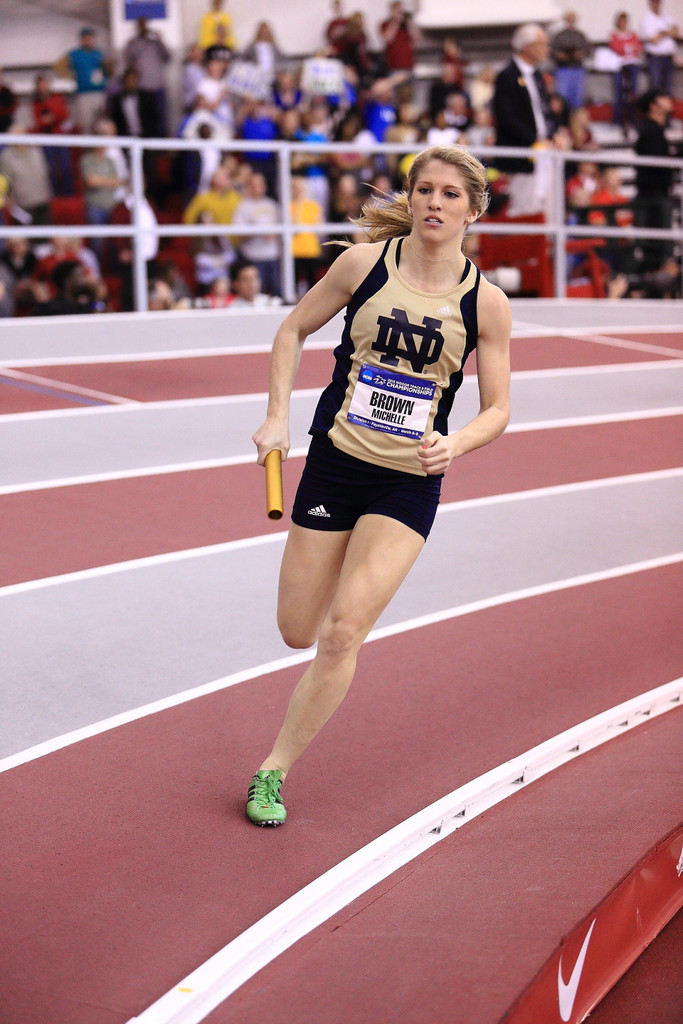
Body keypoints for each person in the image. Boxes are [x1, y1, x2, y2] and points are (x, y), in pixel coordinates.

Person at [246, 145, 511, 826]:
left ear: (473, 210)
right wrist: (276, 416)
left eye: (450, 194)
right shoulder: (363, 266)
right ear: (411, 197)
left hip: (407, 482)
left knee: (342, 634)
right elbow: (291, 330)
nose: (434, 202)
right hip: (336, 462)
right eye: (425, 189)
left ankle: (272, 772)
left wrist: (455, 442)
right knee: (297, 631)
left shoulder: (486, 303)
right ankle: (337, 570)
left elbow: (497, 410)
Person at [492, 23, 568, 218]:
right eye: (542, 44)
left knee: (550, 207)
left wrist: (555, 133)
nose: (547, 49)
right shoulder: (507, 76)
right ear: (527, 46)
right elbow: (507, 117)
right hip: (523, 155)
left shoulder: (537, 75)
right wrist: (534, 140)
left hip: (545, 151)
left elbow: (545, 111)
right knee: (525, 208)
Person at [633, 88, 679, 271]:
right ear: (653, 106)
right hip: (653, 199)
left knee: (660, 247)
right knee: (658, 250)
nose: (668, 99)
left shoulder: (655, 131)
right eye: (663, 97)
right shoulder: (650, 132)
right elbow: (659, 163)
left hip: (657, 197)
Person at [54, 27, 111, 133]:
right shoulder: (75, 54)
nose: (88, 40)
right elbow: (58, 66)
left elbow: (109, 70)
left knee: (102, 123)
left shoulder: (100, 53)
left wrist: (107, 67)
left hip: (100, 92)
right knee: (86, 124)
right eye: (86, 38)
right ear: (82, 39)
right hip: (84, 93)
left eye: (90, 38)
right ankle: (88, 143)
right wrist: (71, 76)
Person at [122, 18, 171, 138]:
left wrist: (159, 40)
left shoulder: (155, 43)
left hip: (158, 87)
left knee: (161, 120)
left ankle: (162, 145)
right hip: (142, 88)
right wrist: (138, 41)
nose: (143, 28)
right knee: (144, 121)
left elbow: (168, 57)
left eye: (144, 25)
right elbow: (128, 58)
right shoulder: (133, 43)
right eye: (140, 26)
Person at [550, 10, 591, 111]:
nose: (571, 21)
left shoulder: (580, 35)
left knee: (578, 97)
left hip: (577, 69)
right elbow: (551, 51)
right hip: (563, 69)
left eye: (573, 19)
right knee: (562, 96)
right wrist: (559, 55)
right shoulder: (559, 36)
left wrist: (580, 54)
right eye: (569, 19)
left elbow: (588, 50)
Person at [609, 12, 643, 133]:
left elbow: (638, 47)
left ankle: (633, 119)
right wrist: (628, 48)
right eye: (621, 21)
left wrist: (627, 48)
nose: (623, 23)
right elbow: (616, 48)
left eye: (625, 21)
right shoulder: (614, 35)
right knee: (619, 93)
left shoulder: (632, 34)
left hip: (632, 65)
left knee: (632, 93)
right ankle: (618, 120)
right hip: (619, 66)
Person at [640, 0, 679, 93]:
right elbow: (653, 40)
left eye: (658, 2)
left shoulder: (667, 17)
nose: (656, 4)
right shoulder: (647, 20)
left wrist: (662, 32)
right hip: (655, 58)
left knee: (668, 86)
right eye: (654, 2)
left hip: (668, 56)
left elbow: (676, 33)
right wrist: (668, 32)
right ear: (650, 4)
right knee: (655, 87)